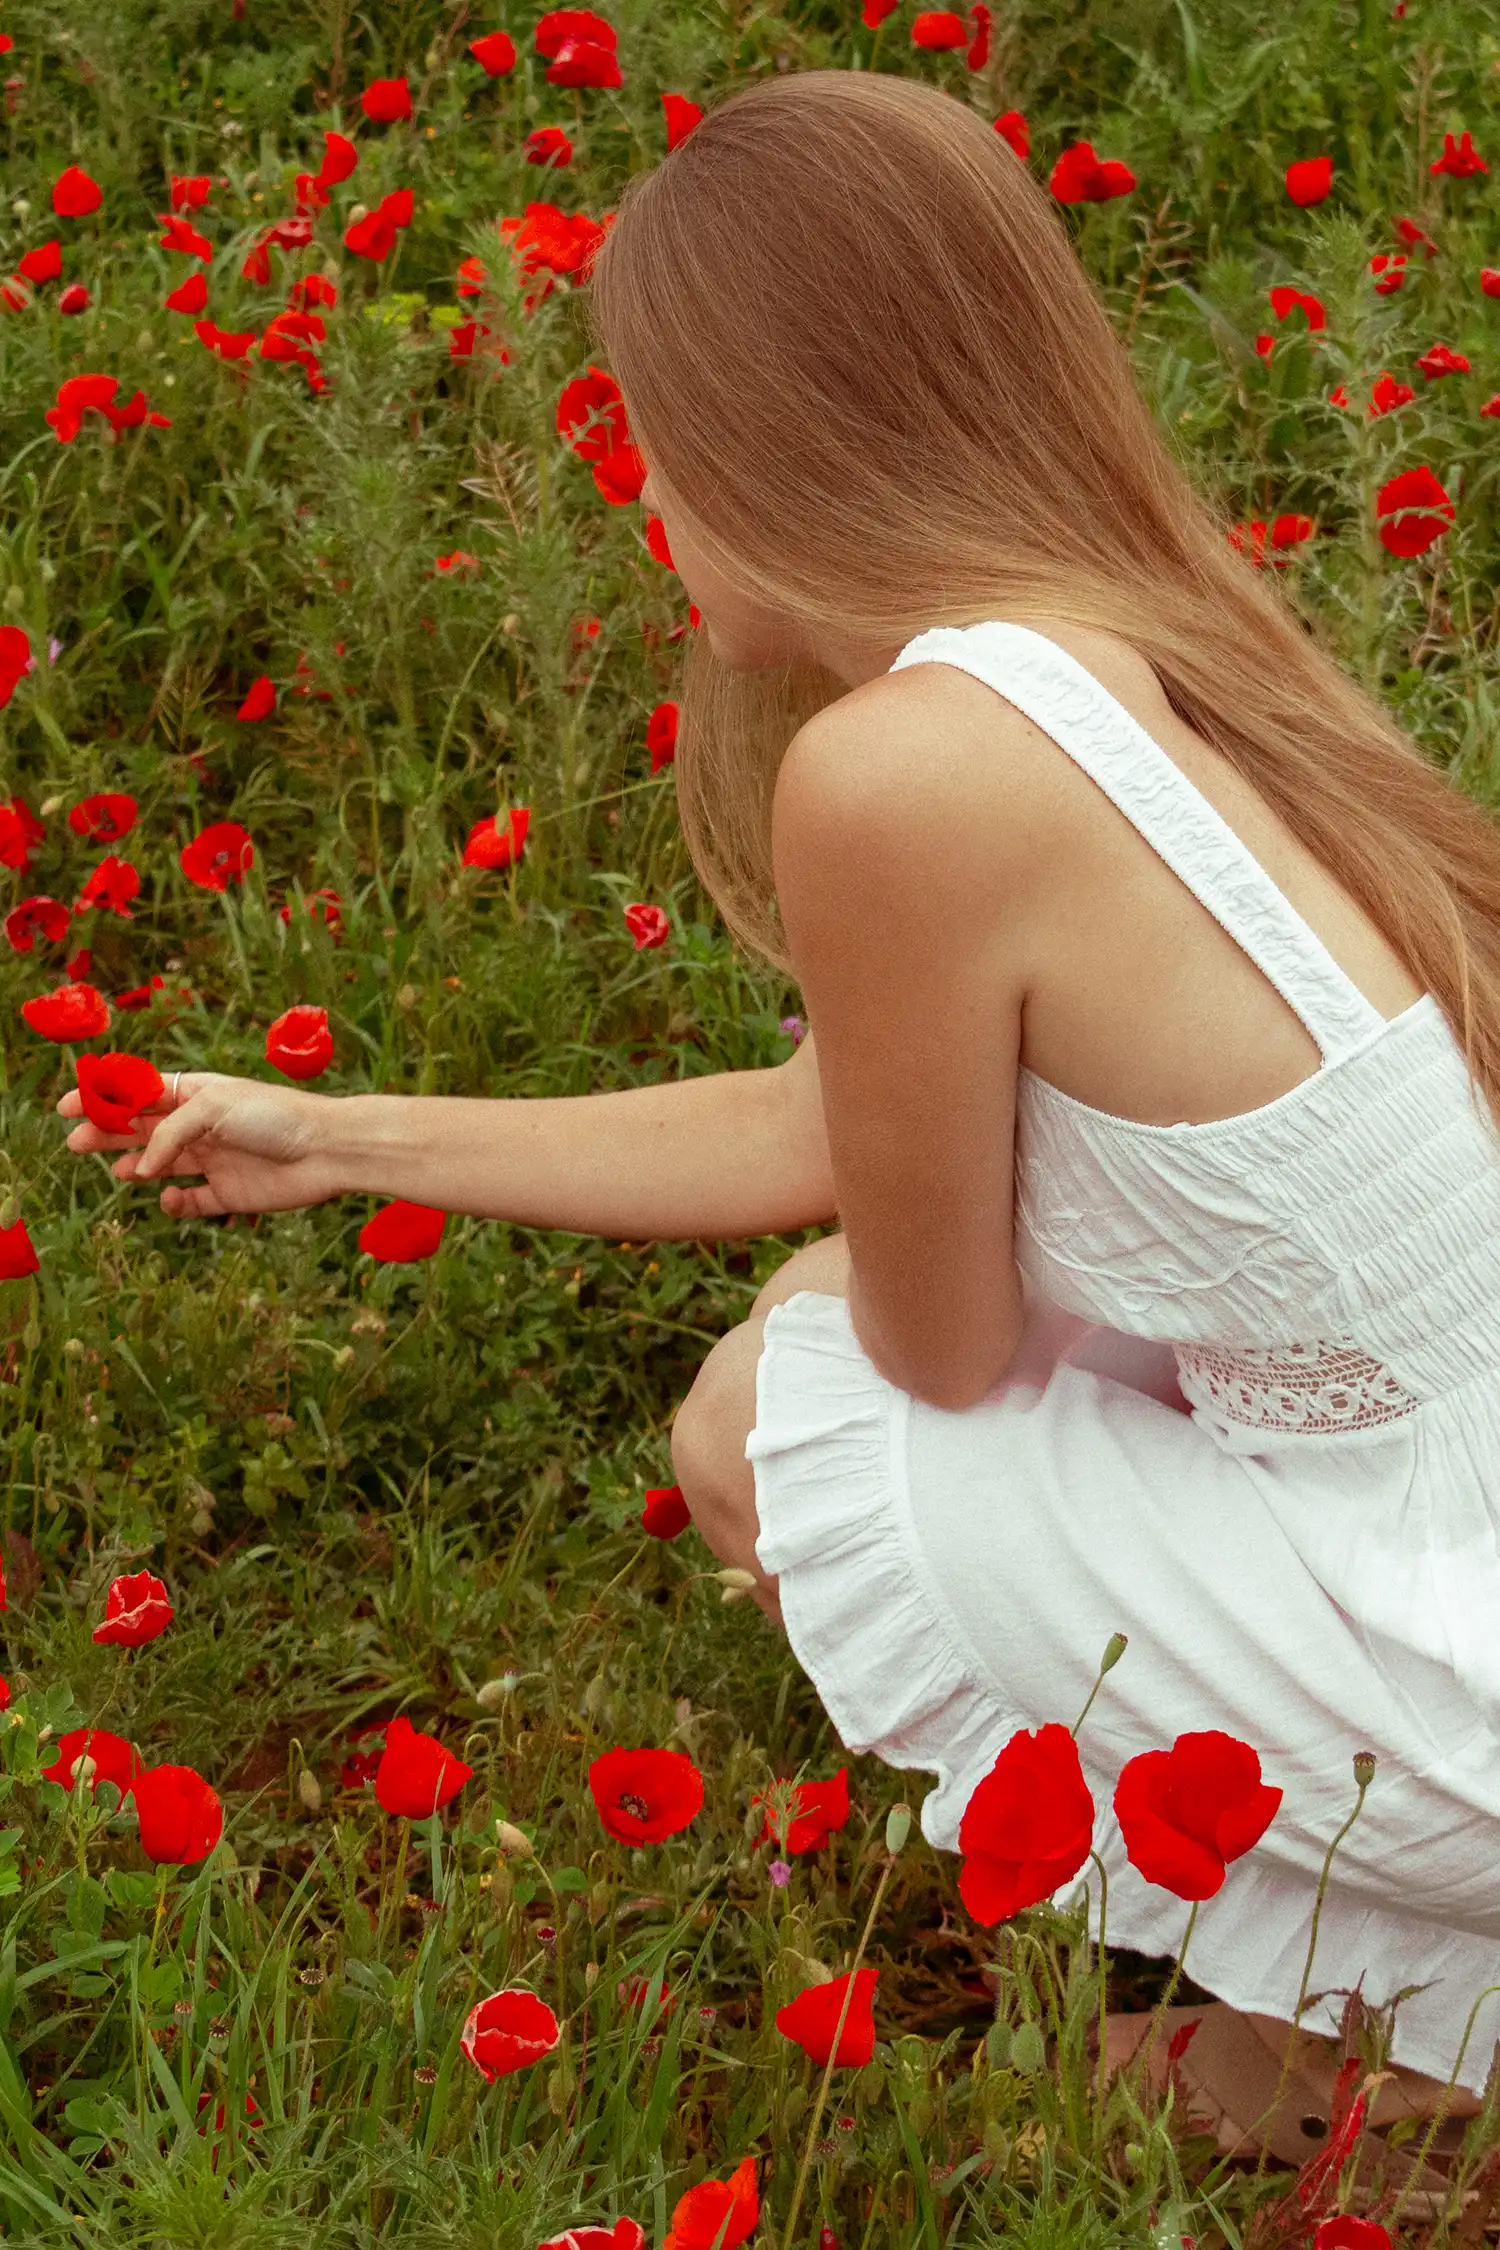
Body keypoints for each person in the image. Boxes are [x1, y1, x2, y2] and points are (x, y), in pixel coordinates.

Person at [58, 71, 1500, 2135]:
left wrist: (831, 1284)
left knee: (782, 1403)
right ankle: (1307, 2026)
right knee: (855, 1348)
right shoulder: (1140, 641)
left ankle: (1340, 2030)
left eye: (653, 444)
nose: (647, 509)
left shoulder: (904, 772)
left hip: (1448, 1670)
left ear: (772, 437)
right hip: (1461, 1538)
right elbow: (831, 1119)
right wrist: (346, 1137)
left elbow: (936, 1345)